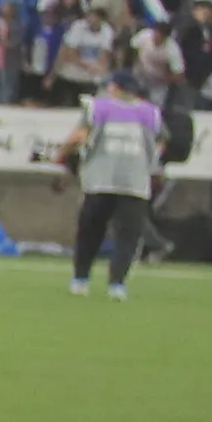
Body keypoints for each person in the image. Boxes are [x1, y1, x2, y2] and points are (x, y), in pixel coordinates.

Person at [61, 67, 163, 299]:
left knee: (90, 232)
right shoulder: (150, 112)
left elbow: (79, 136)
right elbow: (162, 140)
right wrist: (152, 166)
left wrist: (61, 154)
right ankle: (117, 284)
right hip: (134, 182)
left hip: (100, 179)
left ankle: (80, 279)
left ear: (115, 87)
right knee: (128, 236)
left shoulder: (98, 107)